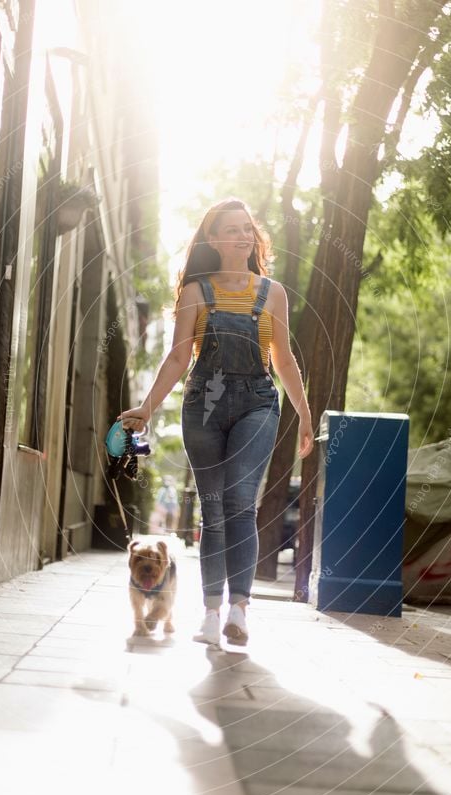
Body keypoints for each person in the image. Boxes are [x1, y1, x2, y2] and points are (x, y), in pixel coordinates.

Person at [118, 197, 313, 645]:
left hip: (258, 403)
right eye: (232, 229)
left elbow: (283, 358)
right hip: (202, 404)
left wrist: (304, 412)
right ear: (212, 238)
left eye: (248, 228)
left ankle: (239, 610)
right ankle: (209, 613)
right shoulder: (195, 291)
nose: (244, 236)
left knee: (241, 504)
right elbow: (179, 356)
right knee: (214, 510)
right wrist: (147, 407)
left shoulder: (272, 292)